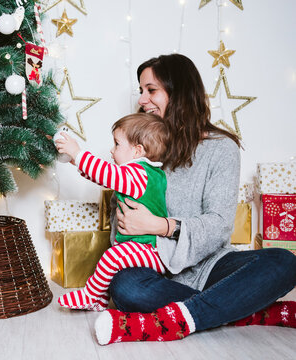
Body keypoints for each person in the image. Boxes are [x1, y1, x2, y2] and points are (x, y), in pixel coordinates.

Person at [91, 53, 296, 345]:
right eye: (141, 91)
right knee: (126, 289)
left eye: (151, 90)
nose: (142, 100)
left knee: (284, 262)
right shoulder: (139, 150)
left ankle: (175, 320)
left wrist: (162, 226)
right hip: (154, 268)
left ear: (179, 93)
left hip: (212, 266)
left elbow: (219, 224)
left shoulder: (221, 149)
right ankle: (243, 311)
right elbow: (123, 225)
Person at [55, 113, 170, 311]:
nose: (112, 149)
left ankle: (91, 295)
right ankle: (100, 300)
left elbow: (108, 174)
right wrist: (78, 163)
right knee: (115, 259)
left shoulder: (138, 173)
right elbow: (107, 178)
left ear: (137, 151)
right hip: (147, 249)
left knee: (113, 256)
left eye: (117, 144)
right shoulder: (150, 174)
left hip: (150, 250)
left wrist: (78, 153)